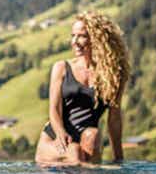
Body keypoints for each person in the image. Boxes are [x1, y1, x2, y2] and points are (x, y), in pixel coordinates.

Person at [35, 11, 130, 166]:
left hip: (86, 140)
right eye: (73, 35)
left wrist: (119, 159)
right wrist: (60, 134)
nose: (75, 41)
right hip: (55, 140)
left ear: (98, 40)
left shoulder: (114, 76)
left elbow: (114, 118)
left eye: (81, 36)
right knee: (74, 152)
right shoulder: (61, 68)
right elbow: (54, 109)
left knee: (93, 135)